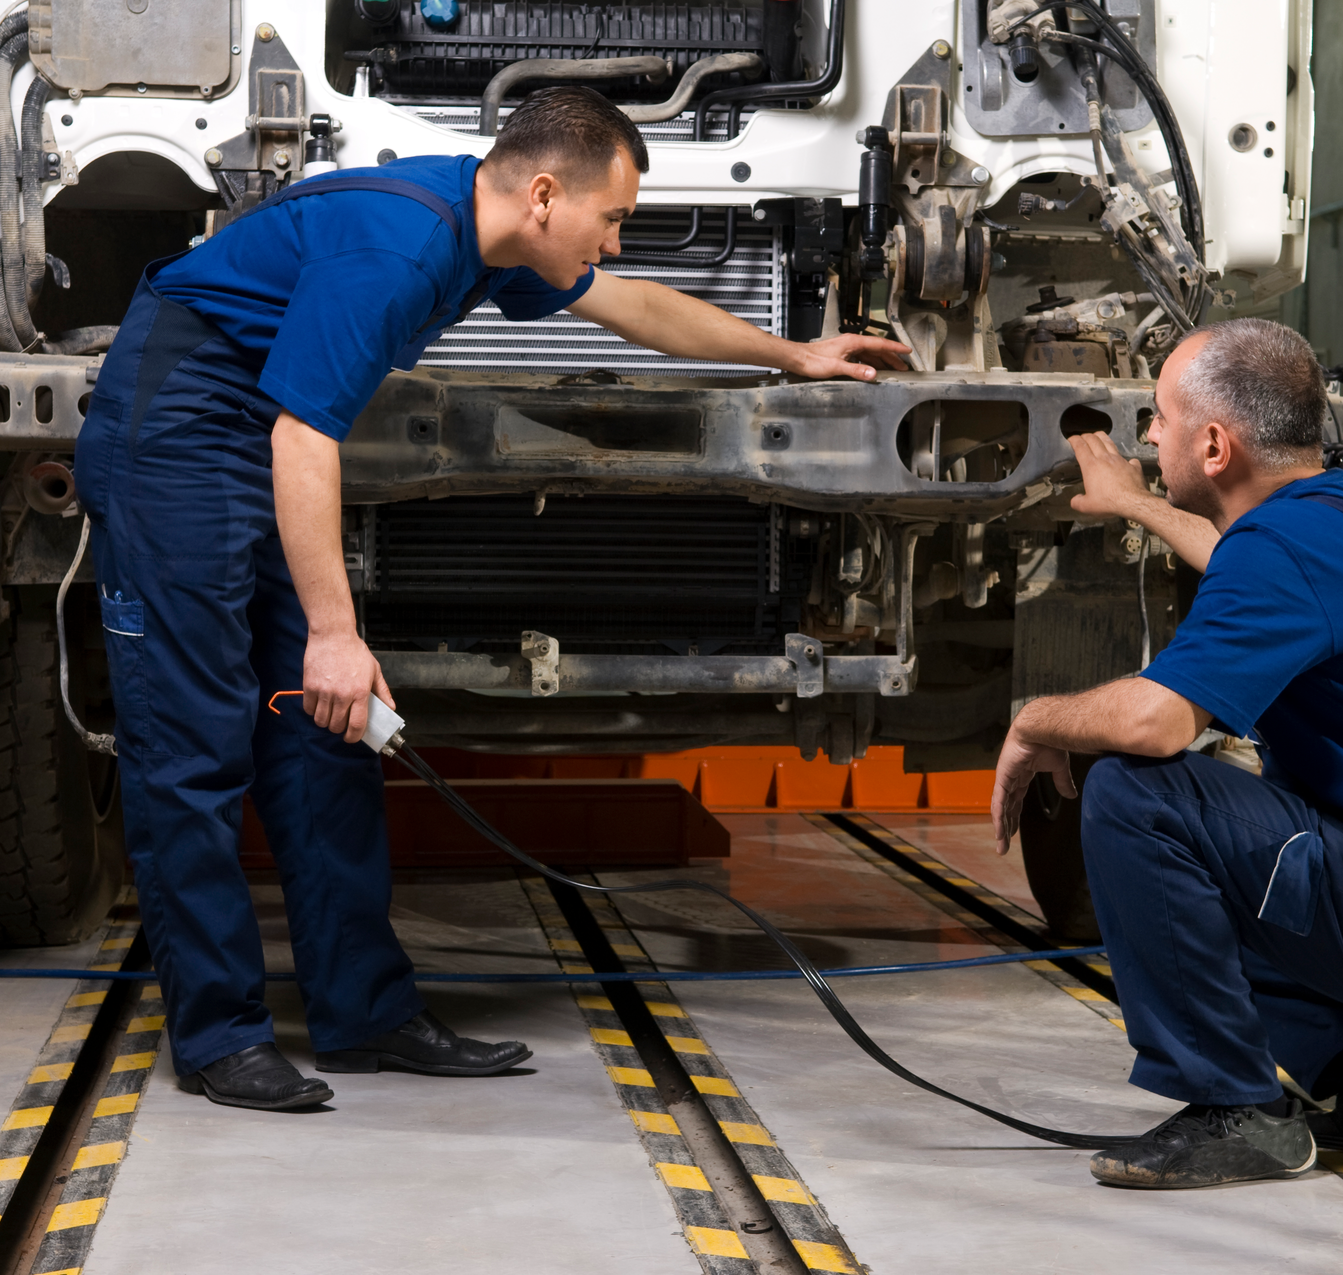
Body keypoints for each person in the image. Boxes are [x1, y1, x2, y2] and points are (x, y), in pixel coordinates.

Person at [74, 87, 910, 1111]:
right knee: (197, 740)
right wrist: (334, 632)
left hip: (253, 429)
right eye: (612, 220)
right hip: (176, 425)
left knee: (325, 735)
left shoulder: (490, 236)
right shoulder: (400, 250)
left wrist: (793, 355)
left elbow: (633, 307)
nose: (612, 244)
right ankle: (218, 1037)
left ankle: (365, 1013)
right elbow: (305, 436)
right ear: (548, 196)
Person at [990, 318, 1343, 1188]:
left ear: (1214, 445)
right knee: (1226, 824)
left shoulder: (1285, 547)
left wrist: (1034, 720)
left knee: (1138, 796)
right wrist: (1138, 501)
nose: (1147, 434)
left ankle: (1236, 1110)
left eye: (1161, 419)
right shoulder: (1329, 512)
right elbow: (1237, 561)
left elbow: (1156, 726)